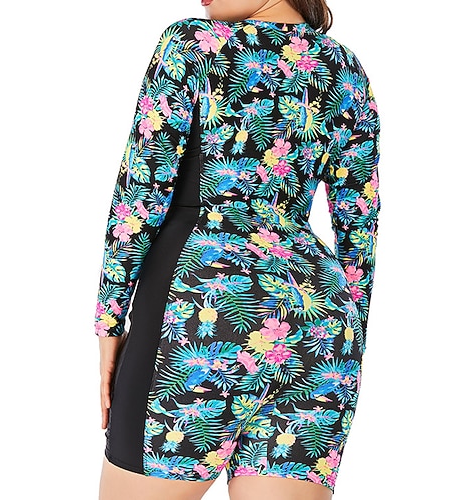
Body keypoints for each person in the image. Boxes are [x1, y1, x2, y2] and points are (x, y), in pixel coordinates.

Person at [94, 0, 381, 498]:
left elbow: (141, 195)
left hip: (200, 309)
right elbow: (360, 223)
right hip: (322, 327)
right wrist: (349, 338)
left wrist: (109, 324)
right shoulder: (345, 66)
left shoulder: (193, 44)